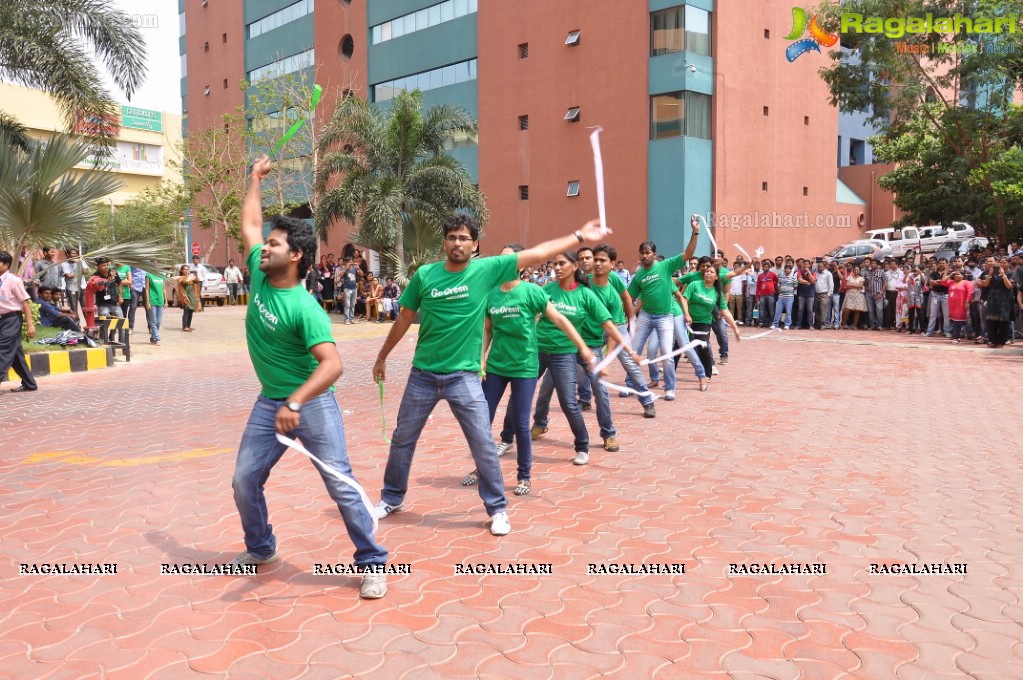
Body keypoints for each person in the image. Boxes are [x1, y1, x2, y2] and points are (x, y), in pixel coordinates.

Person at [372, 212, 610, 536]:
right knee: (402, 438)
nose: (457, 243)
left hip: (464, 377)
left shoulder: (486, 270)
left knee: (483, 441)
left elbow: (538, 253)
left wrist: (579, 236)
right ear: (444, 242)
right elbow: (403, 319)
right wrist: (383, 356)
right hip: (423, 374)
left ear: (474, 244)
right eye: (452, 237)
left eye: (464, 238)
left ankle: (497, 508)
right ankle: (391, 498)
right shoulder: (425, 276)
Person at [230, 155, 389, 599]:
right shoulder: (261, 278)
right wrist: (255, 179)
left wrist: (296, 402)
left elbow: (333, 365)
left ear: (296, 256)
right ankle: (262, 548)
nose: (264, 249)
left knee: (340, 482)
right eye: (267, 245)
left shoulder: (306, 309)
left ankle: (373, 561)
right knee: (244, 480)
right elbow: (250, 224)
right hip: (270, 404)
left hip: (311, 405)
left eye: (275, 245)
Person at [462, 244, 595, 496]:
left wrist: (583, 348)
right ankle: (481, 469)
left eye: (509, 260)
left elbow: (559, 319)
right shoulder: (492, 294)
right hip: (496, 367)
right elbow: (487, 329)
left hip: (524, 366)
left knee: (522, 423)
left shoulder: (532, 291)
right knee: (481, 420)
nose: (501, 264)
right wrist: (481, 359)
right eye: (499, 260)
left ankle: (524, 476)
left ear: (521, 264)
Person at [529, 250, 641, 463]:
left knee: (600, 390)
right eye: (586, 259)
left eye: (598, 259)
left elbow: (611, 324)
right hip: (564, 348)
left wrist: (627, 351)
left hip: (591, 346)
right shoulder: (565, 284)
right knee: (546, 388)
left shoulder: (608, 286)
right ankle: (540, 423)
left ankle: (608, 434)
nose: (593, 263)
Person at [626, 216, 701, 401]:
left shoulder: (666, 266)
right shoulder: (638, 276)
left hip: (665, 317)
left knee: (666, 353)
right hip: (645, 316)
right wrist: (625, 318)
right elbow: (630, 299)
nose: (644, 256)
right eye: (641, 253)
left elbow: (688, 254)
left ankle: (670, 387)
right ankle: (629, 385)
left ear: (654, 254)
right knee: (634, 351)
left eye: (647, 252)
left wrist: (695, 231)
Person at [680, 264, 739, 391]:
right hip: (687, 320)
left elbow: (725, 311)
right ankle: (670, 377)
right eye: (707, 271)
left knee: (703, 346)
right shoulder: (694, 284)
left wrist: (735, 328)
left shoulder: (717, 293)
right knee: (677, 345)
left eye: (712, 272)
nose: (708, 273)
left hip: (703, 322)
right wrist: (686, 314)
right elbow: (684, 299)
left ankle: (707, 373)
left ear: (717, 277)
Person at [0, 251, 38, 392]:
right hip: (1, 320)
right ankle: (29, 383)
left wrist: (30, 324)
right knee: (15, 354)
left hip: (12, 319)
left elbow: (25, 303)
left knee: (2, 351)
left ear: (6, 264)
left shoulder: (14, 280)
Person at [977, 257, 1016, 348]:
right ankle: (993, 341)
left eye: (1004, 263)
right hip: (993, 298)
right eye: (1001, 262)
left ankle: (1001, 342)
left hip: (1005, 299)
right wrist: (990, 274)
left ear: (1008, 264)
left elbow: (1009, 286)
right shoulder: (993, 272)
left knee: (1003, 321)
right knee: (991, 320)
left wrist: (1003, 275)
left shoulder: (1012, 273)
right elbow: (986, 285)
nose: (1002, 264)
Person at [944, 270, 973, 344]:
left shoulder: (966, 282)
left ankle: (956, 337)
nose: (956, 275)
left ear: (963, 276)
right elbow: (943, 282)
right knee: (954, 321)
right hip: (952, 305)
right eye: (955, 274)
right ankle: (957, 336)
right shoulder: (951, 282)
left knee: (958, 321)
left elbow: (970, 292)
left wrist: (967, 301)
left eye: (958, 274)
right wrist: (951, 274)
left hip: (961, 304)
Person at [176, 265, 201, 332]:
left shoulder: (191, 277)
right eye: (185, 269)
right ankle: (185, 326)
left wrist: (196, 274)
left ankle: (188, 325)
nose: (187, 271)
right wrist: (187, 275)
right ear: (182, 270)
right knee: (186, 311)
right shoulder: (180, 278)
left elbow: (197, 281)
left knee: (191, 311)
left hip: (191, 296)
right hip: (185, 297)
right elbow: (183, 282)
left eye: (188, 269)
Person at [771, 264, 797, 330]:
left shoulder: (793, 277)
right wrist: (779, 290)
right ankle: (775, 324)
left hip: (789, 297)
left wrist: (790, 290)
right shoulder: (780, 276)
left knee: (788, 311)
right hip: (781, 296)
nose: (787, 270)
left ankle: (787, 324)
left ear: (791, 270)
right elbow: (777, 284)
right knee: (778, 311)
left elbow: (795, 286)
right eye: (786, 269)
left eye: (789, 269)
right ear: (784, 269)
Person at [144, 270, 166, 345]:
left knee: (159, 321)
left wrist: (165, 301)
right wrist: (147, 302)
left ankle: (153, 337)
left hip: (160, 301)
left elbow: (164, 289)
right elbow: (146, 289)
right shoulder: (148, 275)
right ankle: (157, 338)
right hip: (152, 300)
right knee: (153, 321)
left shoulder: (162, 275)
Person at [813, 261, 833, 330]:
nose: (819, 268)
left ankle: (822, 324)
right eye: (818, 267)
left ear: (824, 267)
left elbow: (831, 284)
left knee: (823, 310)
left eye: (821, 267)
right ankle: (818, 324)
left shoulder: (828, 274)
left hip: (824, 294)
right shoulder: (816, 273)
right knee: (817, 309)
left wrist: (829, 294)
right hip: (816, 294)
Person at [339, 257, 360, 324]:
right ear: (345, 262)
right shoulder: (344, 268)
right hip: (347, 288)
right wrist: (346, 268)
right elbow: (340, 275)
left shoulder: (354, 268)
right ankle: (346, 319)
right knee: (347, 304)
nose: (349, 262)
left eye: (350, 261)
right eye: (348, 261)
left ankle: (351, 318)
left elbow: (361, 274)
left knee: (353, 304)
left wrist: (358, 267)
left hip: (354, 288)